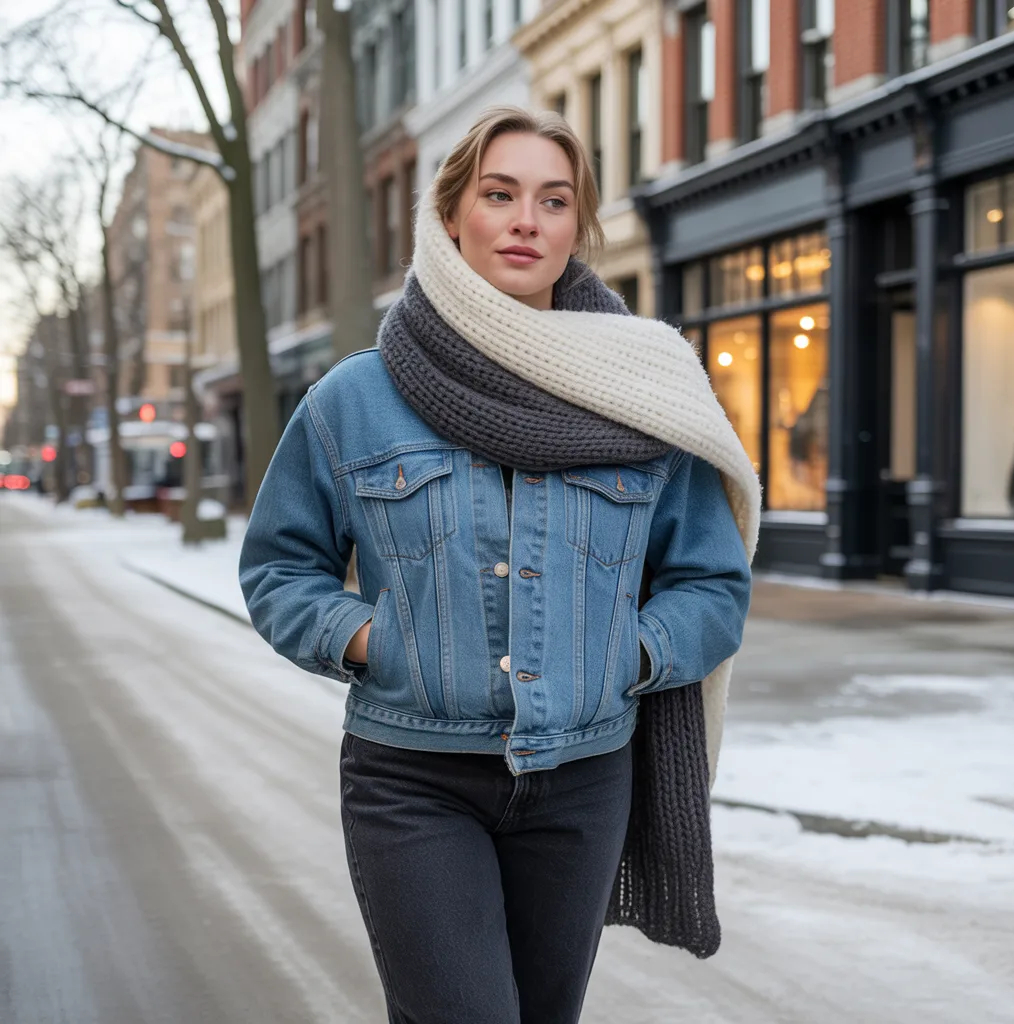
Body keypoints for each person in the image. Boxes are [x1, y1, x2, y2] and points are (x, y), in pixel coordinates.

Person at [239, 106, 759, 1024]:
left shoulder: (647, 395)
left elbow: (711, 583)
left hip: (587, 779)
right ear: (450, 219)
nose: (527, 219)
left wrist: (630, 655)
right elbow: (281, 567)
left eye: (554, 201)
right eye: (500, 194)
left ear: (574, 229)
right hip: (412, 778)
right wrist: (369, 639)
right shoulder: (355, 399)